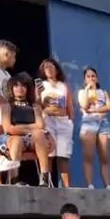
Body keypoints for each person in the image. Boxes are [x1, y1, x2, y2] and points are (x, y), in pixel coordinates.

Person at [0, 73, 53, 186]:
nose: (20, 88)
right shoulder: (7, 105)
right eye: (16, 86)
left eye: (23, 86)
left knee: (39, 135)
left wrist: (19, 128)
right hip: (11, 139)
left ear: (27, 89)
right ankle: (14, 179)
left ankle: (45, 177)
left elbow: (41, 126)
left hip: (30, 139)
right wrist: (32, 127)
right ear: (11, 89)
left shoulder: (35, 106)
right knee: (17, 140)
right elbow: (8, 128)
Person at [37, 58, 75, 188]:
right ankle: (48, 184)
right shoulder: (41, 85)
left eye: (51, 66)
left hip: (63, 122)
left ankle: (67, 187)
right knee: (49, 154)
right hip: (48, 121)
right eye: (46, 67)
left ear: (57, 70)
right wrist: (37, 95)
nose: (48, 69)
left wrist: (71, 121)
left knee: (63, 156)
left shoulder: (64, 86)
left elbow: (70, 106)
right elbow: (37, 104)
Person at [78, 67, 110, 189]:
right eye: (88, 76)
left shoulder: (103, 92)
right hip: (89, 123)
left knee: (104, 156)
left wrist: (95, 110)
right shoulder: (82, 92)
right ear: (85, 79)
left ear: (97, 78)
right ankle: (90, 184)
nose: (91, 78)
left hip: (103, 123)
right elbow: (84, 105)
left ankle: (107, 185)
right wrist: (88, 89)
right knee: (89, 156)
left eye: (93, 76)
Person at [0, 40, 19, 182]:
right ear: (6, 54)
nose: (15, 60)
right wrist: (4, 102)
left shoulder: (7, 76)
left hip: (6, 118)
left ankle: (11, 180)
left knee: (7, 144)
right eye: (14, 56)